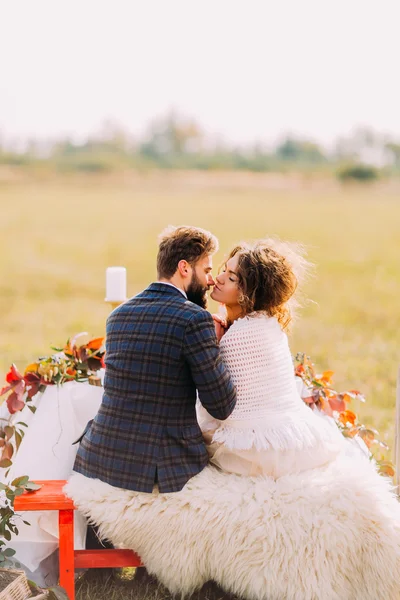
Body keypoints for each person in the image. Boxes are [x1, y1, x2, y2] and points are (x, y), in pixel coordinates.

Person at [73, 225, 237, 493]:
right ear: (184, 268)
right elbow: (222, 405)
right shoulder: (194, 320)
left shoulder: (118, 315)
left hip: (100, 455)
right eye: (206, 270)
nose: (210, 280)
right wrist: (216, 346)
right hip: (159, 468)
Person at [197, 238, 345, 478]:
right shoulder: (265, 322)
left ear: (251, 294)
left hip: (251, 451)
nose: (220, 278)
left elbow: (217, 407)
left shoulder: (242, 336)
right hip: (283, 434)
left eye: (232, 278)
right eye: (224, 270)